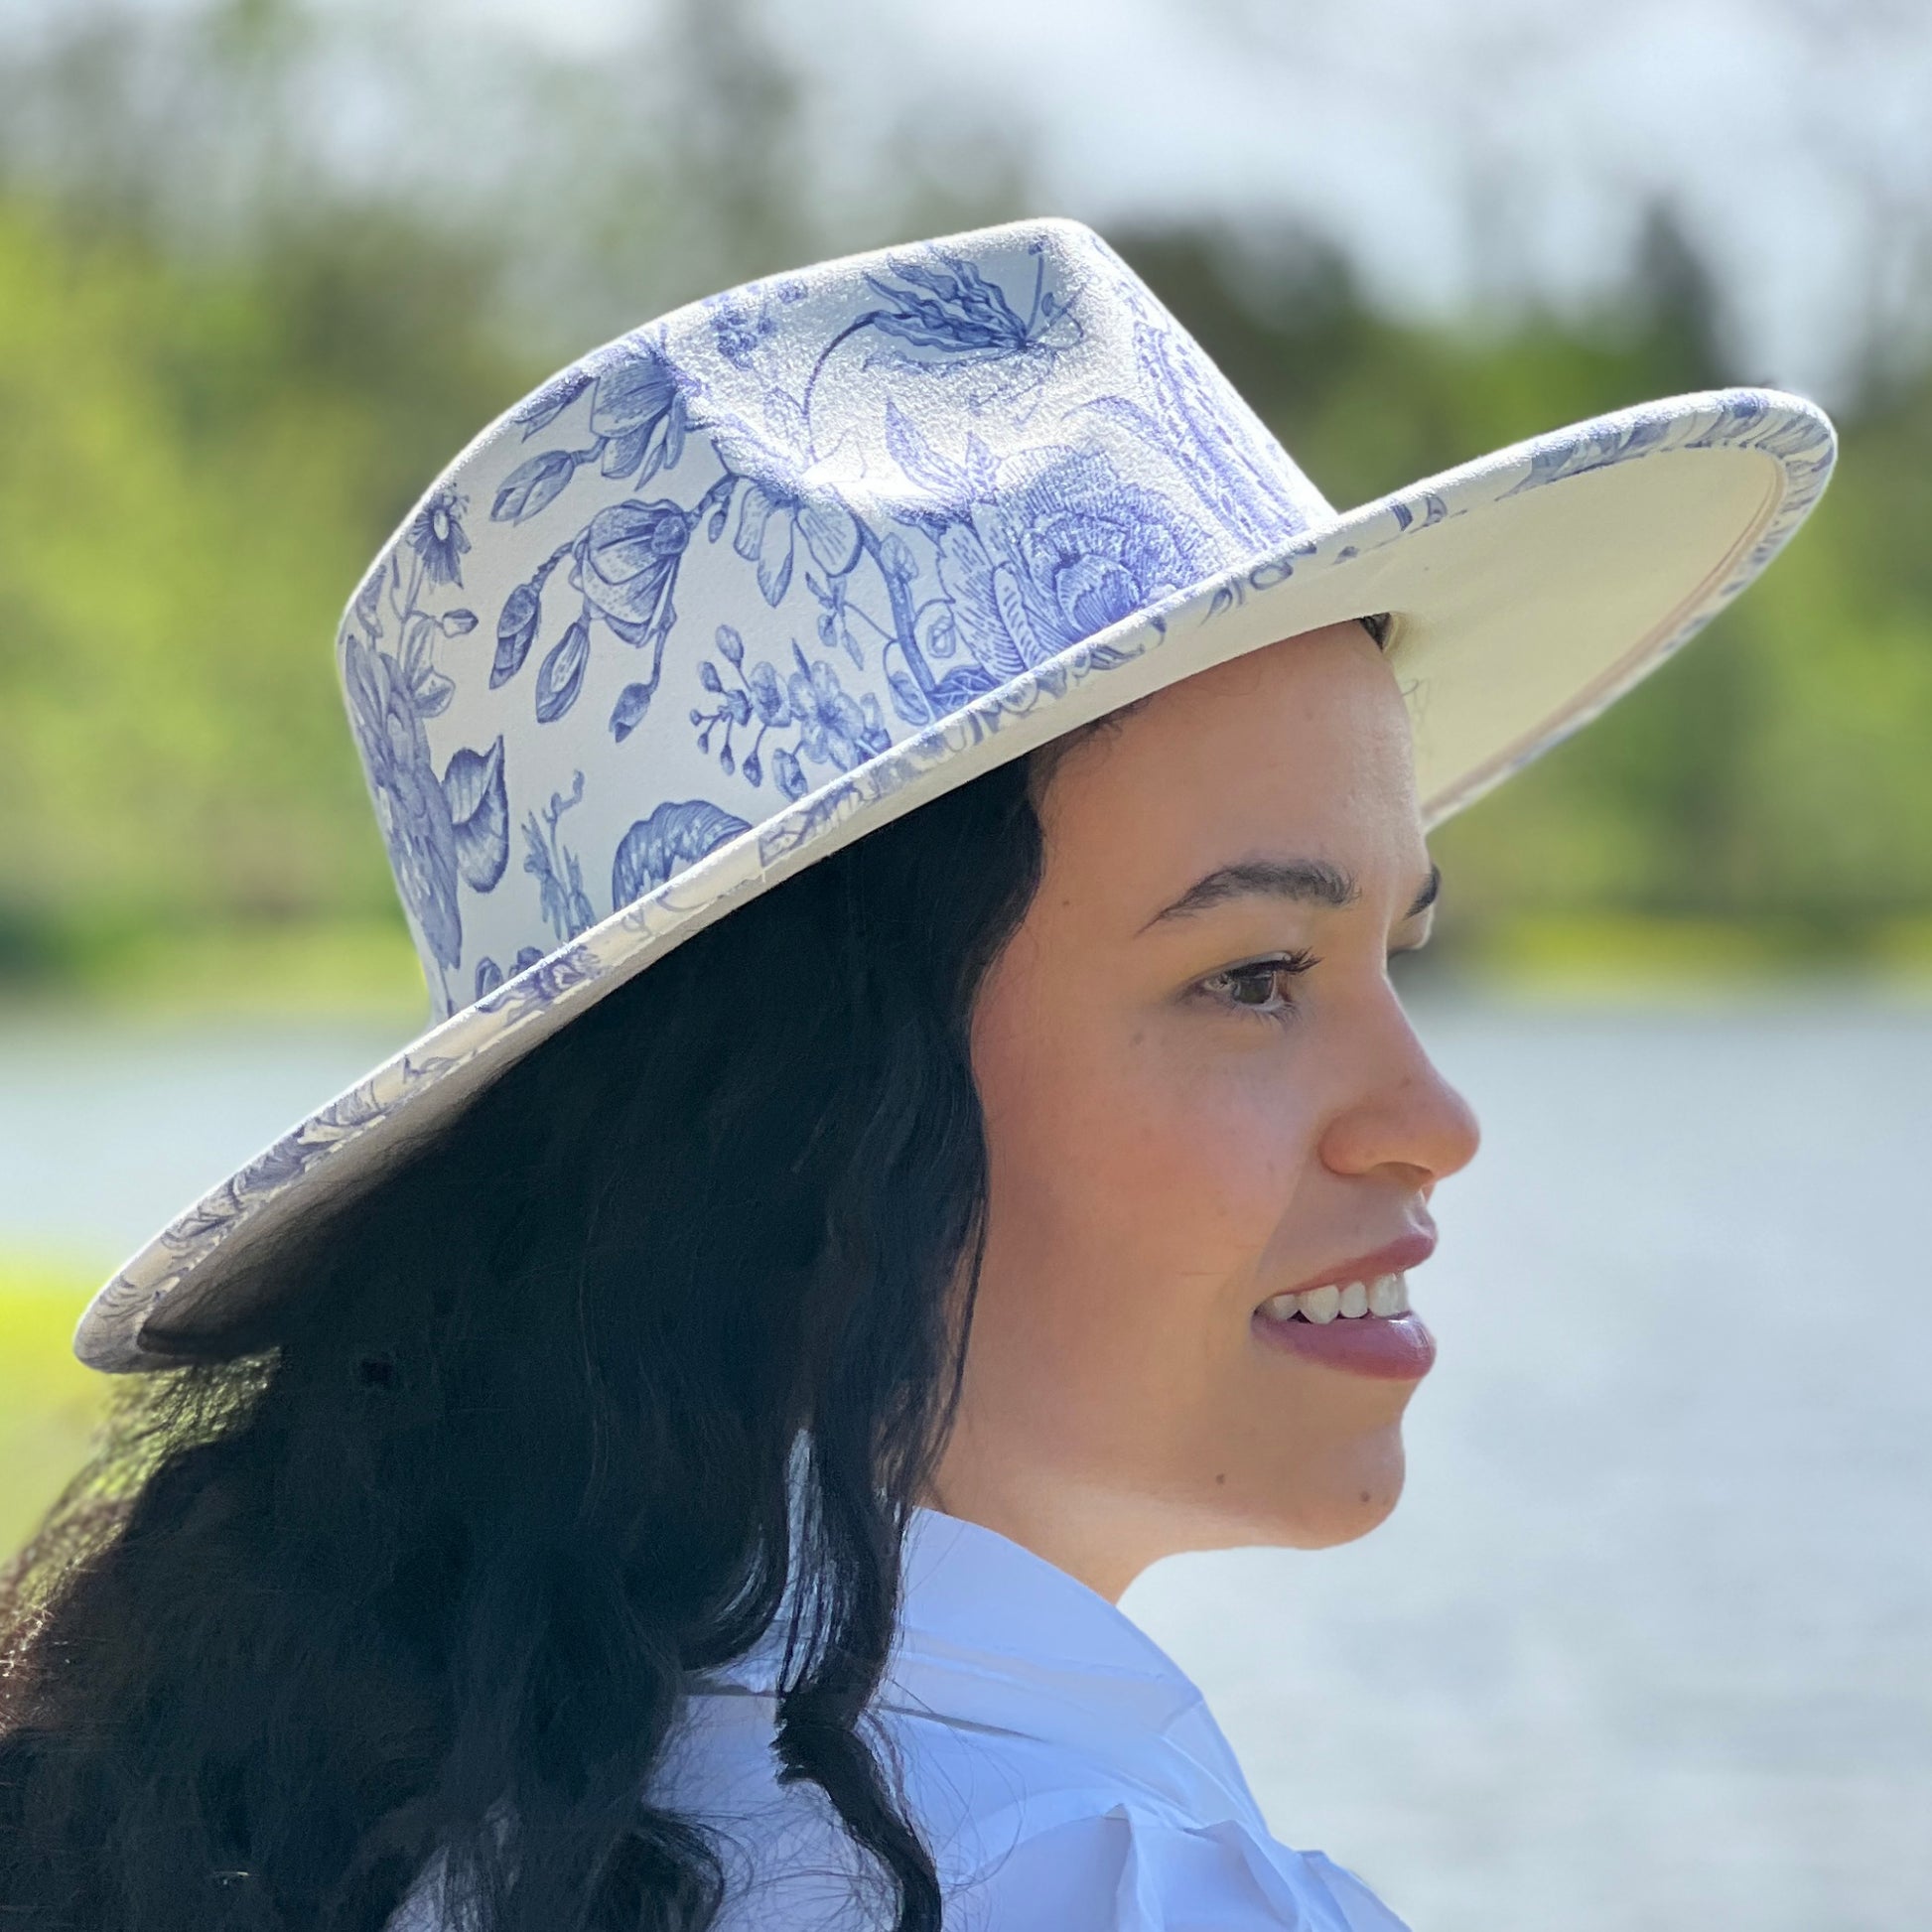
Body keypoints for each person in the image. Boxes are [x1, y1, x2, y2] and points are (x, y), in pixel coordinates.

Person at [0, 217, 1835, 1931]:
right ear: (789, 1124)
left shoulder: (406, 1821)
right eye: (1253, 976)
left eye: (1391, 952)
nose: (1432, 1119)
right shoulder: (1095, 1879)